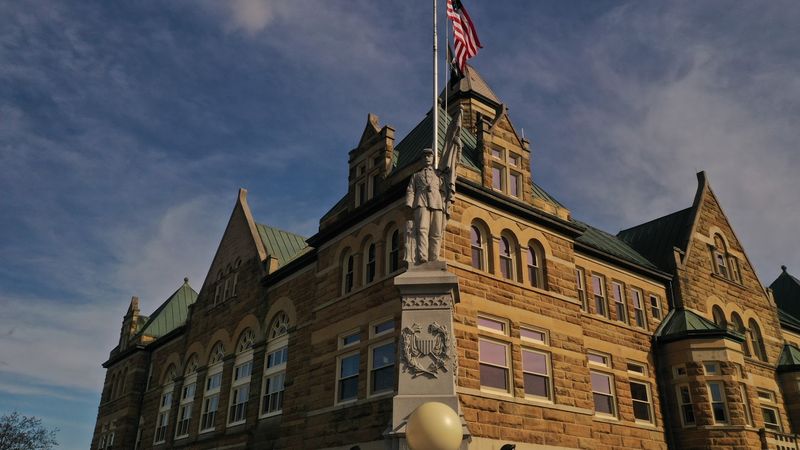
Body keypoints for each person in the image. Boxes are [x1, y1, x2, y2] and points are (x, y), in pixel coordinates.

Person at [405, 148, 445, 264]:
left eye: (429, 156)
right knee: (422, 229)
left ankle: (434, 257)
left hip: (436, 203)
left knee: (436, 231)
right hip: (421, 202)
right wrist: (409, 204)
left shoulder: (439, 175)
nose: (427, 158)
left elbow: (452, 169)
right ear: (422, 159)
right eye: (425, 156)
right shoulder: (416, 175)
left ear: (433, 158)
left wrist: (457, 150)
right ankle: (423, 256)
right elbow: (410, 190)